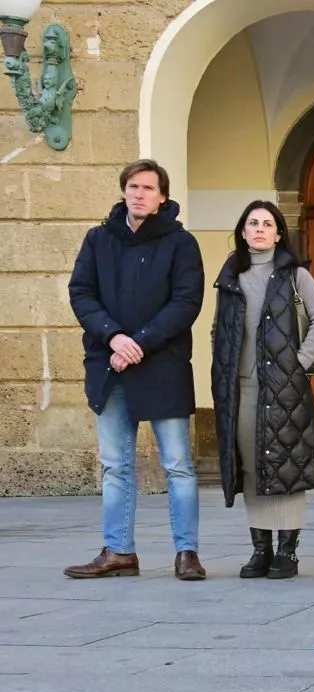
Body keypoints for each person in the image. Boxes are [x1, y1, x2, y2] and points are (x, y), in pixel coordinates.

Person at [64, 159, 207, 581]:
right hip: (110, 365)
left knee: (177, 464)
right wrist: (114, 337)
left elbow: (186, 302)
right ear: (124, 191)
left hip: (163, 366)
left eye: (148, 188)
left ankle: (187, 553)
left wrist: (139, 342)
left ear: (162, 196)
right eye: (133, 186)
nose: (139, 193)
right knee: (115, 465)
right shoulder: (98, 239)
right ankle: (118, 551)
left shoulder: (181, 243)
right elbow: (81, 293)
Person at [209, 201, 314, 579]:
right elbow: (219, 329)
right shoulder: (230, 276)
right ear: (243, 231)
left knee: (286, 461)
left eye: (267, 224)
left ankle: (287, 552)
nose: (260, 229)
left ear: (279, 234)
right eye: (253, 223)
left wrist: (298, 362)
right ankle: (260, 549)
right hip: (243, 387)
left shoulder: (296, 275)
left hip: (285, 387)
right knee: (250, 464)